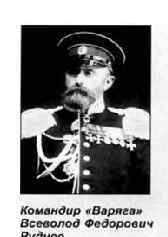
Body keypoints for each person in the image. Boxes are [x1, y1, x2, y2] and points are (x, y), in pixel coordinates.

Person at [21, 31, 149, 194]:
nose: (79, 80)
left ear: (108, 82)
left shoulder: (131, 127)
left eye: (88, 73)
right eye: (73, 72)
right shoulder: (38, 125)